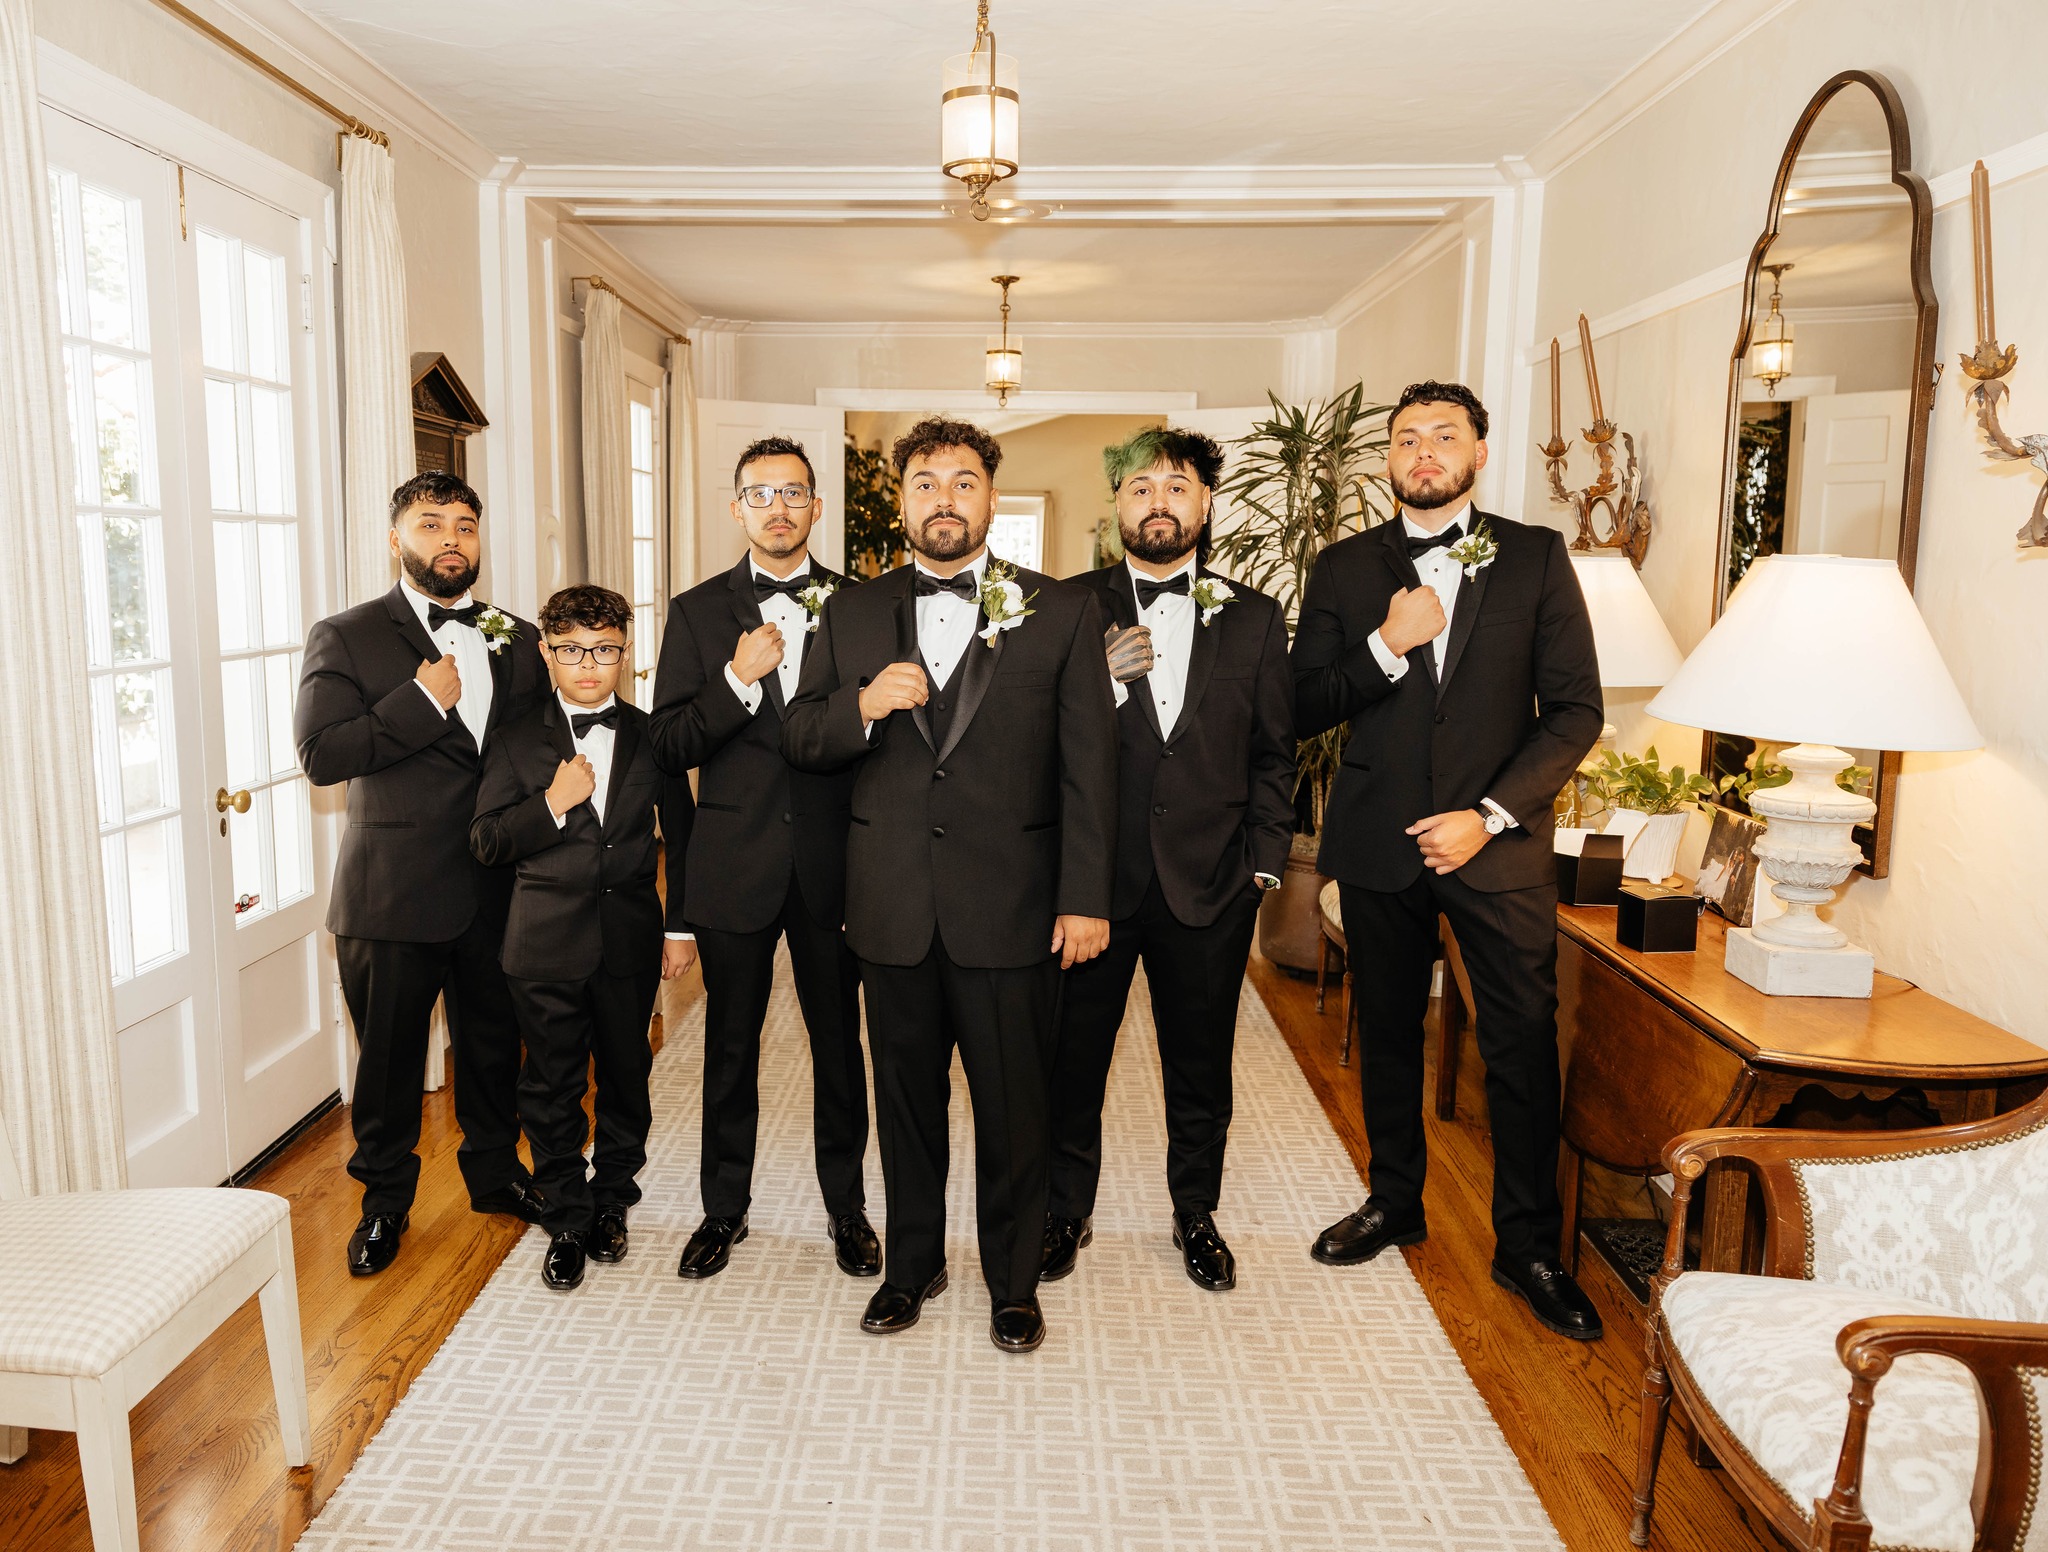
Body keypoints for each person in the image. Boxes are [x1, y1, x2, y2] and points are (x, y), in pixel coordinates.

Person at [782, 416, 1118, 1355]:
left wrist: (1085, 897)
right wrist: (860, 707)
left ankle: (1013, 1285)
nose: (944, 499)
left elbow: (1091, 768)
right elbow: (800, 736)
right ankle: (912, 1267)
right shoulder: (849, 611)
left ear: (991, 499)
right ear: (901, 502)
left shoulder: (1061, 610)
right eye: (925, 483)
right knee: (904, 1103)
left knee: (1014, 1106)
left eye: (963, 482)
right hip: (890, 905)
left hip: (1013, 908)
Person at [1292, 380, 1605, 1340]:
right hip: (1377, 841)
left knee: (1521, 1045)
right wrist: (1385, 646)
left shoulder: (1537, 557)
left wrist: (1490, 816)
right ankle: (1395, 1201)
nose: (1423, 450)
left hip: (1497, 849)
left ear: (1479, 451)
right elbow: (1302, 703)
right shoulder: (1344, 567)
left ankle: (1529, 1247)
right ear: (1387, 459)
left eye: (1444, 435)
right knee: (1387, 1032)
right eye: (1405, 438)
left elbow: (1576, 712)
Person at [1045, 428, 1294, 1292]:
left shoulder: (1255, 617)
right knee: (1074, 1060)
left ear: (1206, 503)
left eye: (1177, 487)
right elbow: (1034, 742)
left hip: (1213, 885)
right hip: (1093, 886)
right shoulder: (1066, 609)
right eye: (1141, 487)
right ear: (1116, 504)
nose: (1159, 502)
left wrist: (1264, 867)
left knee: (1201, 1066)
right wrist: (1100, 679)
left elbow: (1274, 754)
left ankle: (1196, 1212)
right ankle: (1064, 1209)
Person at [295, 471, 549, 1276]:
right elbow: (322, 755)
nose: (451, 539)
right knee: (390, 1062)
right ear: (395, 538)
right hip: (391, 891)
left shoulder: (518, 637)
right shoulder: (345, 635)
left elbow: (536, 752)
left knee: (493, 1046)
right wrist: (419, 701)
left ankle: (496, 1173)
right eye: (431, 523)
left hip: (497, 888)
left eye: (465, 525)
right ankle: (383, 1204)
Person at [647, 437, 874, 1282]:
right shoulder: (696, 612)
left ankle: (847, 1209)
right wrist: (737, 683)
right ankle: (723, 1211)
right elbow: (668, 744)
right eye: (760, 494)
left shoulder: (863, 606)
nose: (778, 509)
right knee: (729, 1049)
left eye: (793, 493)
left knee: (839, 1047)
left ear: (817, 505)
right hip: (733, 863)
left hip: (834, 864)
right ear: (736, 507)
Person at [470, 585, 693, 1290]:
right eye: (571, 650)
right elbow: (485, 840)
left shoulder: (653, 734)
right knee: (552, 1083)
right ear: (546, 653)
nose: (588, 665)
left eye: (603, 650)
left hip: (629, 936)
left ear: (625, 653)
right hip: (542, 943)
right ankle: (566, 1214)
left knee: (628, 1073)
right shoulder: (513, 737)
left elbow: (684, 837)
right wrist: (551, 805)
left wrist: (680, 928)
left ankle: (613, 1199)